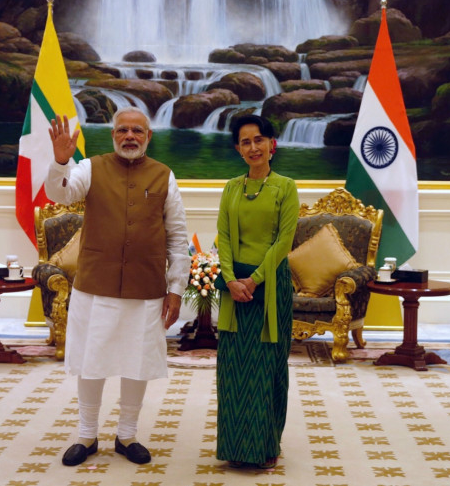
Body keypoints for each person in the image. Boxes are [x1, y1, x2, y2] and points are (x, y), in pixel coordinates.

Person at [44, 106, 189, 466]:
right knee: (91, 361)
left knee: (136, 362)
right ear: (113, 135)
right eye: (122, 130)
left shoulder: (164, 176)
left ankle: (127, 435)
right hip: (96, 286)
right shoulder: (90, 168)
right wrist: (61, 162)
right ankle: (86, 435)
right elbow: (59, 194)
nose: (129, 136)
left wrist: (176, 289)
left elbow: (177, 237)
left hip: (146, 288)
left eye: (137, 131)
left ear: (148, 137)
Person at [215, 114, 299, 469]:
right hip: (234, 288)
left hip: (269, 286)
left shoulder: (286, 187)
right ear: (238, 149)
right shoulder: (232, 188)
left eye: (259, 140)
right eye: (245, 142)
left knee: (267, 366)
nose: (253, 147)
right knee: (233, 368)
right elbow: (223, 238)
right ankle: (234, 447)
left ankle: (265, 444)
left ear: (271, 145)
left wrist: (255, 280)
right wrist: (232, 279)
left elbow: (284, 241)